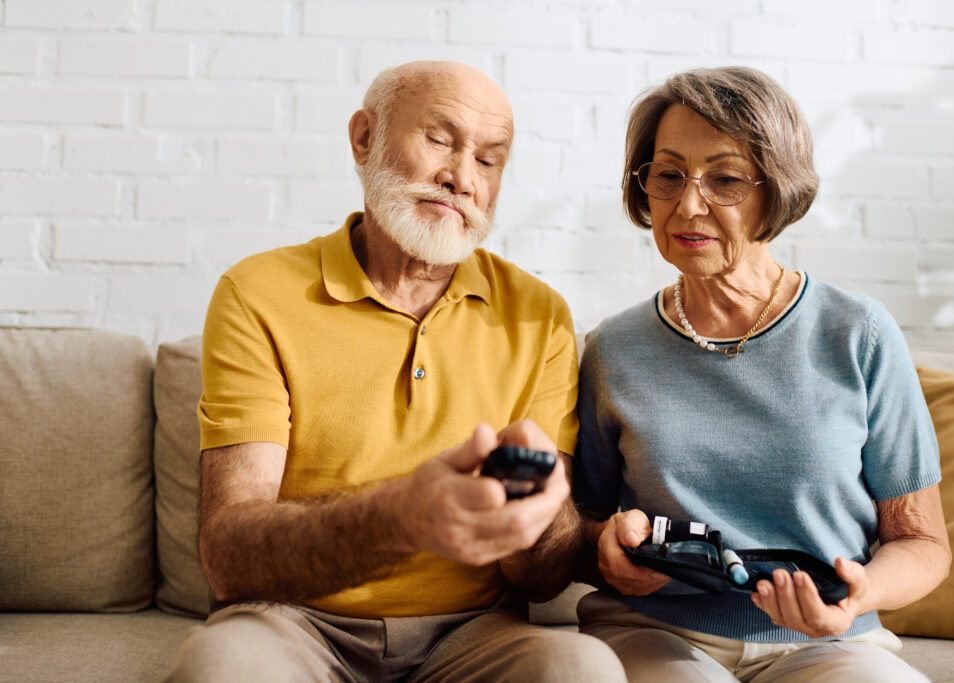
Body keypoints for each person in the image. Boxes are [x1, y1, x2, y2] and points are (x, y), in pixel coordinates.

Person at [166, 61, 625, 682]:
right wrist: (403, 515)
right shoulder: (258, 293)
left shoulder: (538, 315)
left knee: (583, 668)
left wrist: (537, 519)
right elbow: (229, 555)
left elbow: (542, 578)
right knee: (222, 668)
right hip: (292, 623)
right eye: (439, 139)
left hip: (473, 631)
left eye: (489, 161)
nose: (461, 178)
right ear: (364, 138)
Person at [573, 66, 951, 682]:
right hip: (655, 632)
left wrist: (859, 594)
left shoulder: (859, 333)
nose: (687, 203)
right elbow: (580, 528)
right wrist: (603, 549)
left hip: (829, 641)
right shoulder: (614, 348)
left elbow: (923, 544)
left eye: (724, 179)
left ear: (776, 190)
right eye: (667, 176)